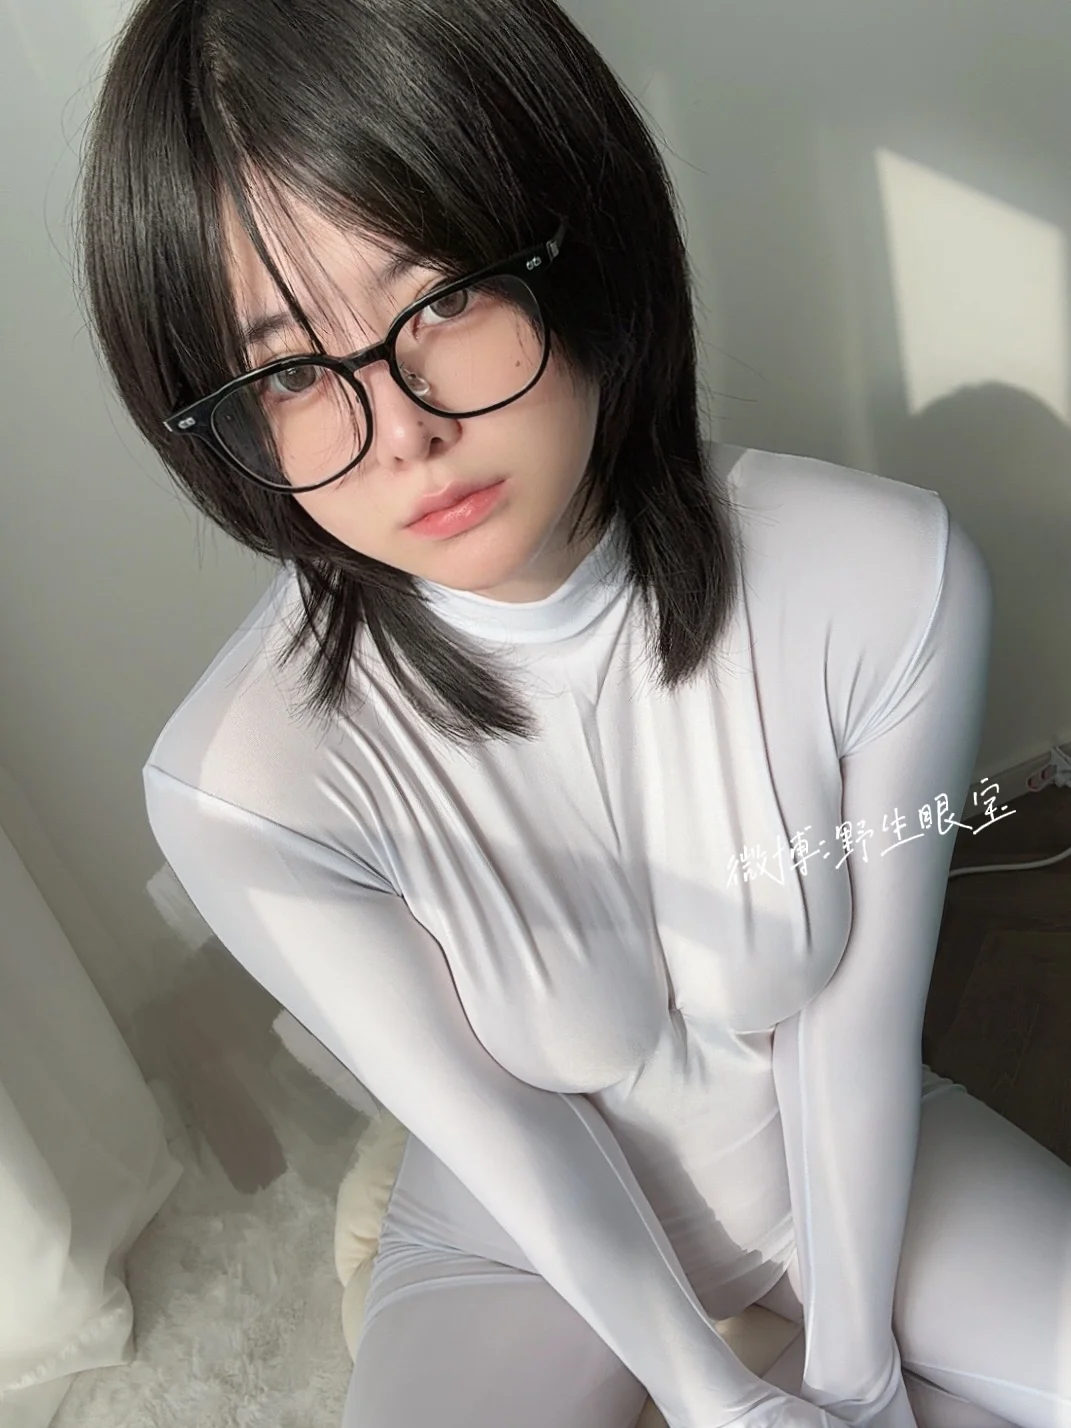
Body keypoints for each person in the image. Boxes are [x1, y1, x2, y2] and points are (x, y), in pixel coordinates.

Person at [76, 1, 1071, 1426]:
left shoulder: (883, 578)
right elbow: (512, 1135)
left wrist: (854, 1384)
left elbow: (854, 1033)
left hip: (856, 1168)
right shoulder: (246, 783)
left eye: (442, 301)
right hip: (515, 1243)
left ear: (577, 240)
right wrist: (721, 1404)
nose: (405, 430)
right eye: (292, 372)